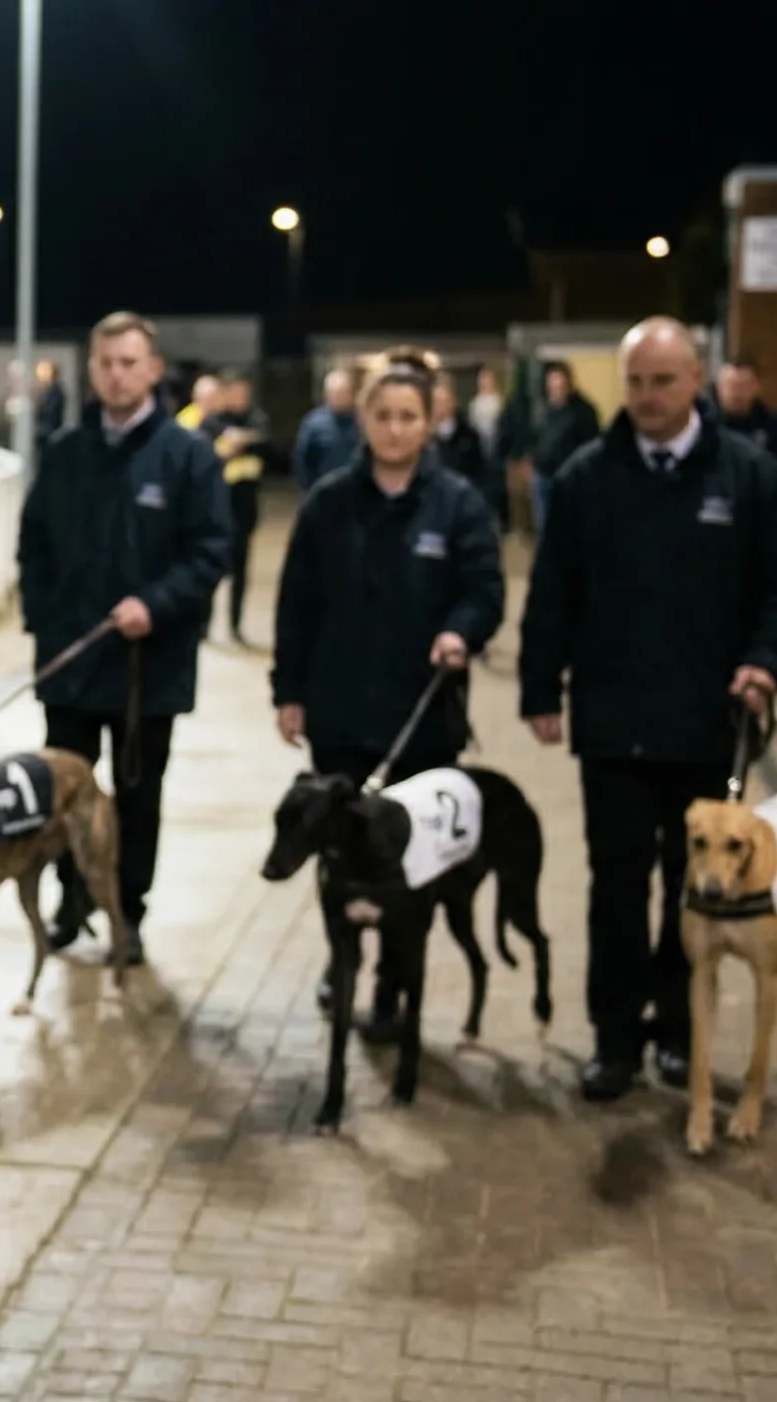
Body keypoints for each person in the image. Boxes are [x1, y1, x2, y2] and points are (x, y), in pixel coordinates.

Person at [518, 317, 777, 1103]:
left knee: (694, 894)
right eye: (636, 382)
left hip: (706, 724)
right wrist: (539, 688)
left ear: (696, 380)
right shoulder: (588, 478)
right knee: (614, 887)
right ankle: (615, 1042)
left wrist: (765, 662)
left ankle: (680, 1038)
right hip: (613, 726)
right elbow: (552, 593)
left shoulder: (748, 475)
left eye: (663, 381)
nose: (648, 398)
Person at [273, 347, 503, 1036]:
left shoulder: (457, 504)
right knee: (342, 859)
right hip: (341, 718)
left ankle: (394, 982)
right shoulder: (329, 504)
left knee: (411, 869)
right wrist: (290, 689)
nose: (396, 428)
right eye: (383, 415)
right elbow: (297, 603)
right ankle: (341, 959)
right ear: (363, 420)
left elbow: (485, 589)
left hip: (423, 721)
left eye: (409, 416)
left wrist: (461, 631)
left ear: (430, 421)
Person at [18, 311, 231, 958]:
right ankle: (70, 899)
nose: (117, 374)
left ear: (154, 370)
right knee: (62, 795)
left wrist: (157, 604)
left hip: (149, 668)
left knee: (138, 798)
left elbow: (211, 549)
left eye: (129, 362)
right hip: (73, 665)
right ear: (92, 370)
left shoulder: (186, 457)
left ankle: (125, 910)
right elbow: (35, 549)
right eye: (106, 363)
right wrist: (47, 626)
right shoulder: (66, 453)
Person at [204, 371, 271, 644]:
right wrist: (227, 448)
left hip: (245, 509)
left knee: (241, 573)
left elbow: (268, 444)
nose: (240, 398)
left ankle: (235, 625)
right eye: (235, 392)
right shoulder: (212, 422)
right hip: (217, 510)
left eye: (244, 392)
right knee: (210, 571)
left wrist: (243, 440)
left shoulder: (257, 419)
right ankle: (204, 627)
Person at [526, 359, 601, 533]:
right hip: (542, 477)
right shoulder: (545, 410)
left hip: (569, 480)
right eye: (552, 385)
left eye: (559, 384)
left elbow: (592, 446)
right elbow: (535, 438)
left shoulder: (583, 412)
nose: (555, 389)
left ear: (569, 384)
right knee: (545, 528)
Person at [715, 355, 777, 501]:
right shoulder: (704, 424)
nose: (737, 394)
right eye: (731, 385)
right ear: (719, 388)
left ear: (756, 387)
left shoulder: (774, 427)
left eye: (743, 386)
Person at [430, 376, 498, 526]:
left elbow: (481, 474)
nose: (438, 406)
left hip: (461, 506)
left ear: (453, 402)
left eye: (443, 401)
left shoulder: (469, 436)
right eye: (435, 401)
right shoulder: (423, 437)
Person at [291, 368, 361, 493]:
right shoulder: (314, 423)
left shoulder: (364, 421)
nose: (337, 398)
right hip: (325, 490)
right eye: (333, 393)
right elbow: (302, 460)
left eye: (342, 393)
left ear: (352, 394)